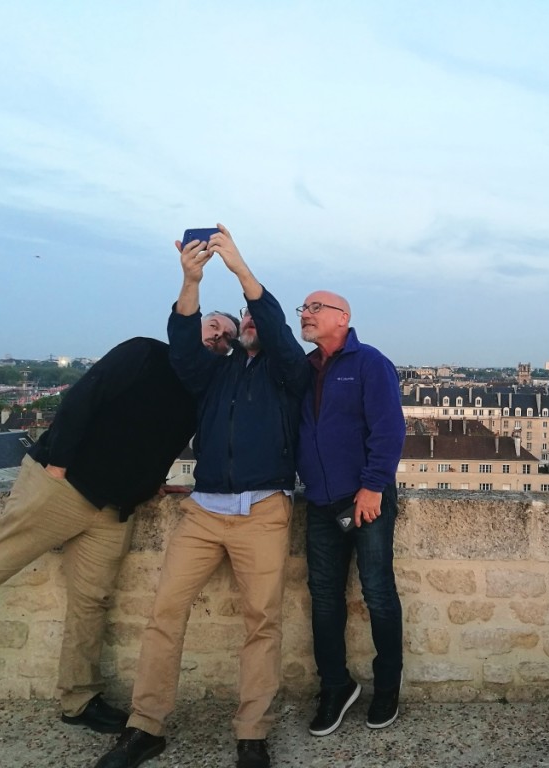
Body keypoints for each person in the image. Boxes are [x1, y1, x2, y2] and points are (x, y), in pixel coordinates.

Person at [0, 314, 236, 734]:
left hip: (114, 510)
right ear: (192, 326)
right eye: (213, 324)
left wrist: (150, 481)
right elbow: (87, 394)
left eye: (226, 336)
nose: (218, 336)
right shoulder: (145, 352)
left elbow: (163, 441)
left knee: (92, 602)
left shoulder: (199, 390)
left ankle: (79, 699)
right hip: (62, 487)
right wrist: (60, 462)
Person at [95, 224, 309, 768]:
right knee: (166, 613)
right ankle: (146, 726)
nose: (250, 321)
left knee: (262, 621)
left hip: (263, 509)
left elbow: (281, 334)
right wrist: (190, 279)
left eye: (256, 317)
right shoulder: (213, 372)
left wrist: (239, 269)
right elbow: (184, 341)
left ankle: (252, 734)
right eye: (244, 318)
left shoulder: (288, 373)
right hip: (205, 510)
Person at [295, 290, 406, 736]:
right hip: (321, 502)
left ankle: (387, 687)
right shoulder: (305, 370)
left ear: (343, 317)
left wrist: (373, 486)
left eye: (314, 307)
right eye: (302, 308)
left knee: (378, 592)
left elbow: (389, 427)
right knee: (323, 598)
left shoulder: (369, 363)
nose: (305, 313)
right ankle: (335, 687)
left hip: (366, 498)